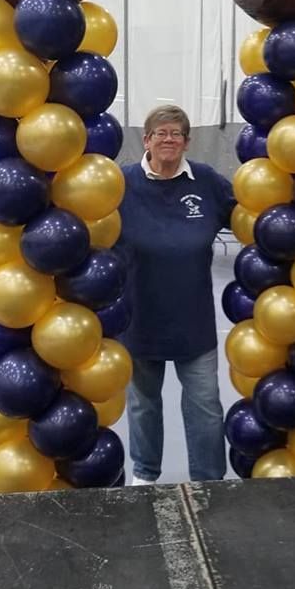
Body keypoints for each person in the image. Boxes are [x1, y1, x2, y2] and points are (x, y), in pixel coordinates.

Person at [118, 104, 236, 485]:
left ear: (188, 141)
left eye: (176, 134)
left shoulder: (207, 182)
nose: (168, 140)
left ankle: (208, 481)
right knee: (142, 406)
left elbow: (249, 217)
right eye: (160, 133)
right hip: (138, 318)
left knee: (206, 408)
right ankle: (145, 474)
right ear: (147, 139)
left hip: (194, 322)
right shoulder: (120, 184)